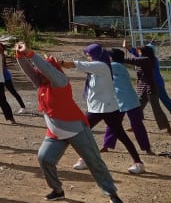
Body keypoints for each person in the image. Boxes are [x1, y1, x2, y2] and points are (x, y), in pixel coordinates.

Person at [14, 42, 124, 203]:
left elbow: (47, 69)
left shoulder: (61, 82)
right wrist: (20, 56)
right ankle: (57, 191)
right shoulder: (41, 84)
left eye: (42, 70)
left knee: (94, 161)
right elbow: (30, 71)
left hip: (76, 129)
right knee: (45, 158)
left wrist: (31, 54)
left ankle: (112, 193)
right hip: (56, 132)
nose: (39, 72)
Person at [58, 43, 144, 175]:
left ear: (96, 55)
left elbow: (73, 64)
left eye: (89, 55)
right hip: (95, 109)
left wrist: (59, 62)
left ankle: (138, 163)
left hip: (108, 108)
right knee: (80, 133)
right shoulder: (94, 68)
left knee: (121, 135)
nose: (88, 58)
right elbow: (77, 68)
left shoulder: (101, 66)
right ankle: (84, 159)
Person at [104, 48, 153, 156]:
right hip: (123, 100)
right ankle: (106, 145)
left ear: (112, 58)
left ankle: (146, 148)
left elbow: (100, 67)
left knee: (136, 125)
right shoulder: (117, 66)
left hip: (128, 100)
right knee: (114, 123)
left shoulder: (115, 66)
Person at [121, 42, 171, 135]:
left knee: (157, 109)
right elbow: (133, 59)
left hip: (150, 89)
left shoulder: (146, 60)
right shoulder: (147, 59)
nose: (139, 53)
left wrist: (117, 57)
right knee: (138, 108)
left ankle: (168, 128)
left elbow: (130, 60)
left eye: (140, 52)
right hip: (143, 89)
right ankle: (135, 126)